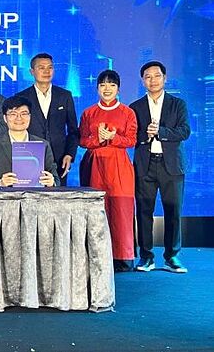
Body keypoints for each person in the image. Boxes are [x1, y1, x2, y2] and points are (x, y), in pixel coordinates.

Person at [130, 61, 191, 273]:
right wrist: (145, 136)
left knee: (173, 210)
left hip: (172, 165)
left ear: (164, 78)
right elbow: (131, 136)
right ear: (142, 81)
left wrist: (161, 132)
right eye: (148, 77)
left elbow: (185, 131)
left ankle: (172, 257)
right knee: (143, 211)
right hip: (145, 165)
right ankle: (146, 256)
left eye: (157, 76)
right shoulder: (135, 107)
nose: (152, 80)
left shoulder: (178, 104)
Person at [79, 70, 137, 272]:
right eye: (103, 84)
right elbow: (82, 140)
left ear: (118, 89)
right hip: (95, 165)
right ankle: (97, 255)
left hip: (119, 165)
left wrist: (113, 137)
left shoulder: (127, 113)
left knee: (121, 209)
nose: (107, 89)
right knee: (97, 209)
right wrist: (98, 139)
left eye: (112, 85)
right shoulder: (88, 113)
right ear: (97, 88)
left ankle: (123, 257)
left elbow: (131, 140)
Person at [16, 53, 79, 185]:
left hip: (60, 160)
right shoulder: (21, 97)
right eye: (41, 68)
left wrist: (69, 154)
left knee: (58, 195)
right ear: (32, 71)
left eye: (50, 67)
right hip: (30, 157)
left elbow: (73, 130)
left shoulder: (65, 96)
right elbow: (17, 129)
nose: (46, 71)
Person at [0, 96, 59, 187]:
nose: (19, 118)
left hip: (36, 195)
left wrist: (52, 182)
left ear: (30, 117)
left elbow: (56, 178)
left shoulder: (43, 145)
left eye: (24, 114)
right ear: (5, 118)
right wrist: (0, 183)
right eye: (13, 114)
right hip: (4, 195)